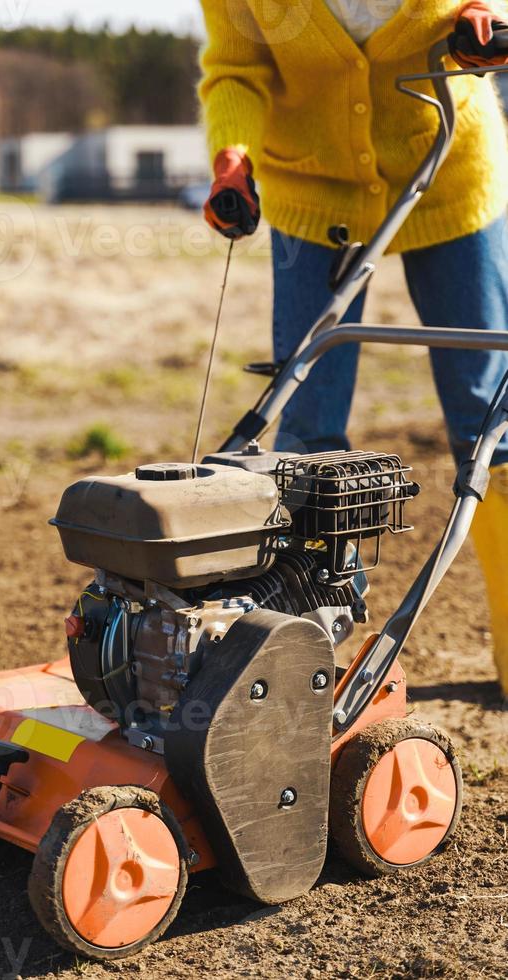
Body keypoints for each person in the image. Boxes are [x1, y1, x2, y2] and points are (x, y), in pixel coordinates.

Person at [200, 0, 508, 696]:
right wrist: (232, 154)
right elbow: (236, 70)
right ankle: (309, 661)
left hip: (450, 168)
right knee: (309, 427)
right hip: (314, 188)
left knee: (489, 415)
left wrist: (485, 15)